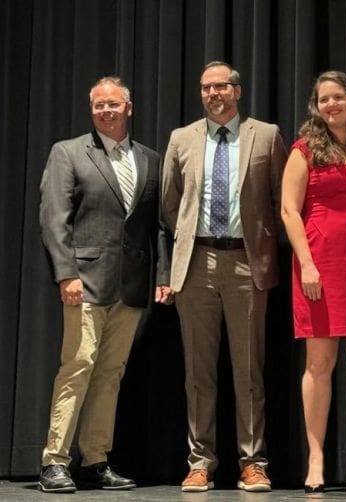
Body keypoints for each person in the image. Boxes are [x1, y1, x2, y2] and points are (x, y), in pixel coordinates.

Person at [38, 76, 172, 493]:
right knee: (77, 367)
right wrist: (66, 273)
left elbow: (160, 228)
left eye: (113, 104)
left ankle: (95, 459)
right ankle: (55, 461)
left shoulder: (150, 159)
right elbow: (53, 217)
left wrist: (163, 277)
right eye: (99, 106)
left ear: (128, 108)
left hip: (131, 287)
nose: (106, 111)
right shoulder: (69, 152)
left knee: (110, 373)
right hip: (85, 281)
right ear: (91, 110)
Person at [162, 61, 288, 492]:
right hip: (196, 262)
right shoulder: (182, 138)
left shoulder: (266, 135)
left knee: (248, 368)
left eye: (220, 87)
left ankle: (253, 462)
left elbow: (279, 199)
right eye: (205, 88)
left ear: (237, 90)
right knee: (198, 371)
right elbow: (170, 205)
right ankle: (201, 462)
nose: (213, 94)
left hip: (245, 263)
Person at [281, 70, 346, 493]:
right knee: (319, 364)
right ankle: (316, 458)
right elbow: (289, 211)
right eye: (324, 99)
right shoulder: (304, 150)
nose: (331, 105)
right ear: (316, 106)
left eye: (338, 97)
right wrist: (306, 264)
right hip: (318, 264)